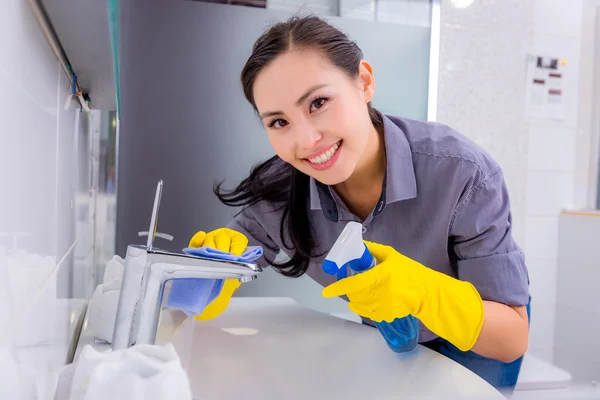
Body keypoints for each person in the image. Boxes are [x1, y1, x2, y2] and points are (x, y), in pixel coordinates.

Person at [187, 15, 530, 392]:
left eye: (318, 102)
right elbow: (224, 264)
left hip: (481, 339)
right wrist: (206, 275)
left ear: (364, 82)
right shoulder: (283, 190)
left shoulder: (462, 173)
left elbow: (511, 338)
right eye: (279, 122)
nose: (306, 140)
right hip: (391, 338)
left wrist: (424, 293)